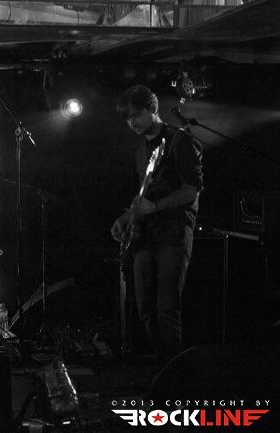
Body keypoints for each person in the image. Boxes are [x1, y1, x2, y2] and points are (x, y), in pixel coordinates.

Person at [110, 85, 203, 364]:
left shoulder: (180, 141)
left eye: (136, 115)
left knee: (167, 309)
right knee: (145, 308)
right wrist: (127, 217)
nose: (132, 123)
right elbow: (143, 197)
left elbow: (192, 190)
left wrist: (155, 207)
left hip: (174, 234)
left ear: (153, 108)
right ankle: (162, 366)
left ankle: (174, 375)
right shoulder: (141, 152)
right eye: (127, 118)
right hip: (145, 237)